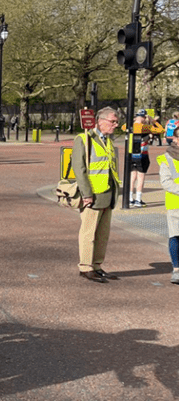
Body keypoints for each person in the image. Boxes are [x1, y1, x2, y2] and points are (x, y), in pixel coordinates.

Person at [72, 107, 121, 283]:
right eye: (112, 121)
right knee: (88, 233)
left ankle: (97, 265)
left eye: (116, 122)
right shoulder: (84, 139)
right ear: (100, 121)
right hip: (93, 194)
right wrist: (86, 193)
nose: (116, 125)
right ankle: (85, 267)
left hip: (108, 193)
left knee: (102, 234)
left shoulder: (108, 140)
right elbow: (79, 168)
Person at [157, 145, 179, 285]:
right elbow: (166, 182)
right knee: (176, 236)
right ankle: (177, 269)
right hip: (176, 203)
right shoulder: (168, 158)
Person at [130, 110, 152, 207]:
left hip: (132, 154)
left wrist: (134, 121)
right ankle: (138, 199)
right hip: (142, 154)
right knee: (141, 177)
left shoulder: (131, 127)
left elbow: (123, 127)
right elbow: (160, 129)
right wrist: (152, 121)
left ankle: (130, 198)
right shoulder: (146, 128)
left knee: (132, 176)